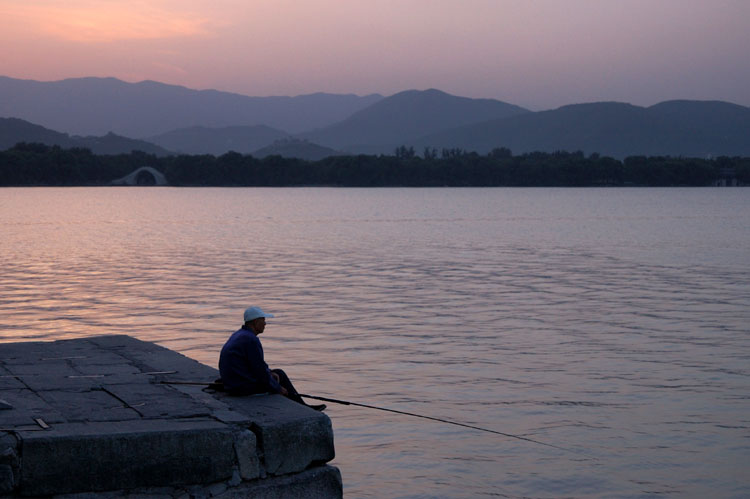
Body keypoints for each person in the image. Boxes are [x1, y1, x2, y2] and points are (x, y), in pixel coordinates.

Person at [219, 306, 325, 411]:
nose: (265, 324)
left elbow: (255, 364)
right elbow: (259, 371)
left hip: (232, 383)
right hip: (241, 387)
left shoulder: (239, 335)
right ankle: (304, 408)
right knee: (280, 376)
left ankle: (302, 405)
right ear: (255, 322)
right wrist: (278, 388)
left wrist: (269, 372)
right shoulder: (251, 340)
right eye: (263, 320)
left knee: (278, 373)